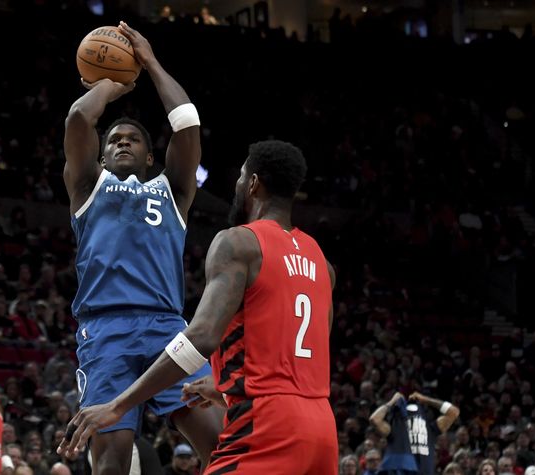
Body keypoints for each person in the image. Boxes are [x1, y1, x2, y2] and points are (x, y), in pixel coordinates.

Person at [59, 140, 338, 474]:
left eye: (240, 177)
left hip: (266, 427)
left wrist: (119, 405)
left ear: (252, 184)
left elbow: (202, 337)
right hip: (322, 429)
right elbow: (299, 357)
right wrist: (223, 385)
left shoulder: (240, 242)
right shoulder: (322, 263)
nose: (237, 185)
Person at [61, 21, 220, 474]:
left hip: (168, 328)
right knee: (111, 463)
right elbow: (78, 118)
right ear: (102, 156)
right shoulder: (88, 187)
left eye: (132, 139)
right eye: (114, 141)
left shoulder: (173, 191)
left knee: (224, 448)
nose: (122, 142)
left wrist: (149, 63)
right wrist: (111, 83)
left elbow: (187, 121)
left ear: (152, 157)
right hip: (105, 331)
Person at [369, 391, 460, 475]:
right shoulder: (395, 428)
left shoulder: (429, 428)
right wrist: (392, 401)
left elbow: (454, 412)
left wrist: (425, 399)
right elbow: (374, 419)